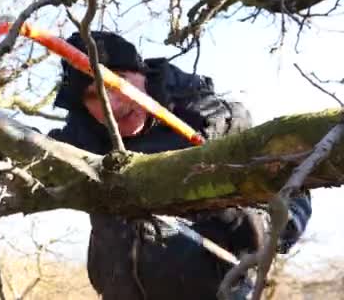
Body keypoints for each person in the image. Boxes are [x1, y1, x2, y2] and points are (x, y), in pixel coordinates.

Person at [47, 31, 313, 300]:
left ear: (142, 74)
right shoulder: (84, 139)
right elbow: (25, 155)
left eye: (117, 83)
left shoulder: (215, 120)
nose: (112, 104)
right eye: (94, 95)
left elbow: (295, 198)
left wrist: (242, 224)